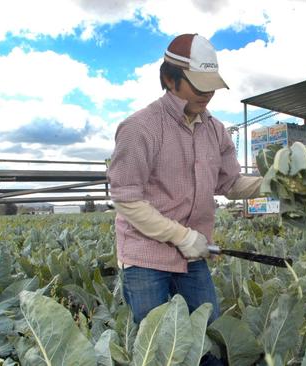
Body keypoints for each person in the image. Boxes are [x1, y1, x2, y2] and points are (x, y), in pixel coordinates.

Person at [107, 33, 262, 355]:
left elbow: (230, 185)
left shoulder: (216, 129)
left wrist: (278, 181)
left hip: (193, 255)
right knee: (160, 348)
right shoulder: (140, 128)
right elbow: (127, 199)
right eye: (196, 83)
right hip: (146, 257)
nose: (207, 92)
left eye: (210, 84)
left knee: (210, 341)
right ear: (169, 79)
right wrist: (181, 236)